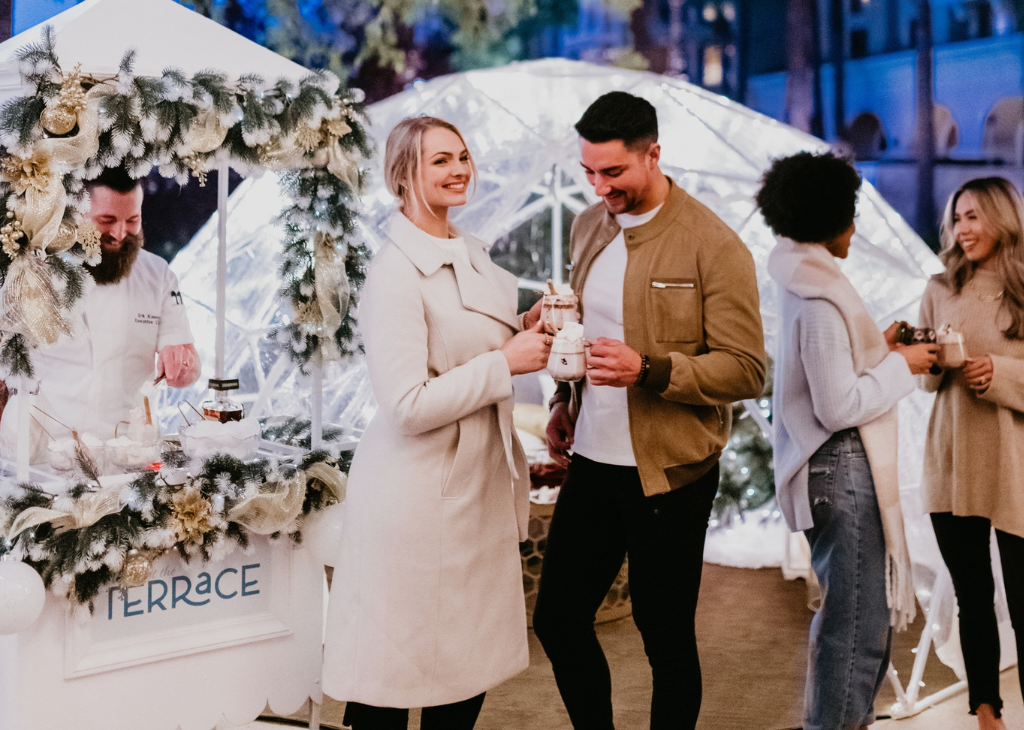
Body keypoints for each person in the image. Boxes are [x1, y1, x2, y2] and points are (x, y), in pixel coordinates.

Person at [532, 91, 766, 730]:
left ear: (653, 154)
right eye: (588, 172)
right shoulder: (589, 226)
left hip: (671, 475)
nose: (599, 186)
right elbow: (584, 331)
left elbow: (747, 369)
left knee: (664, 636)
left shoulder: (713, 245)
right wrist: (564, 399)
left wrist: (651, 369)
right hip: (593, 464)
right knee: (558, 620)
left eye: (614, 172)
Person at [321, 116, 550, 730]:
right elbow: (407, 404)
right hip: (416, 501)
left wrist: (523, 330)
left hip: (473, 488)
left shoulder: (470, 252)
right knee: (390, 679)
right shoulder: (394, 274)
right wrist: (504, 363)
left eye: (464, 156)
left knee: (466, 671)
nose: (460, 170)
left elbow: (470, 341)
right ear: (403, 176)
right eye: (441, 161)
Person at [763, 151, 936, 730]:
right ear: (830, 216)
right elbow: (837, 405)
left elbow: (832, 374)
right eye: (851, 213)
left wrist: (880, 347)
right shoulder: (819, 297)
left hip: (828, 468)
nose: (855, 228)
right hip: (841, 466)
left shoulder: (805, 282)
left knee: (855, 620)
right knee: (856, 626)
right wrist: (905, 364)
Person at [918, 177, 1024, 730]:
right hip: (952, 461)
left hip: (1015, 468)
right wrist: (932, 362)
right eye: (957, 217)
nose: (963, 228)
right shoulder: (939, 287)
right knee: (972, 595)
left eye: (975, 216)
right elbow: (928, 384)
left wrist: (999, 372)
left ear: (1004, 221)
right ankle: (986, 710)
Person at [0, 166, 200, 456]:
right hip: (41, 455)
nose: (120, 233)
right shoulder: (32, 271)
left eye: (133, 220)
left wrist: (182, 364)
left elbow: (189, 368)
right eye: (107, 220)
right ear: (78, 213)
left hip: (126, 454)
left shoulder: (158, 275)